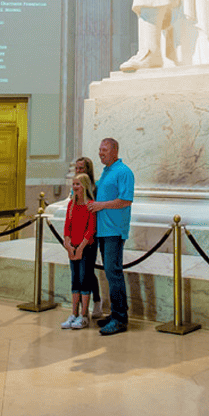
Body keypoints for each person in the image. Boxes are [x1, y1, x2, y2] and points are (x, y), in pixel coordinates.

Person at [87, 138, 134, 336]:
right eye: (99, 150)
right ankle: (115, 313)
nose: (100, 153)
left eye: (104, 150)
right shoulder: (106, 173)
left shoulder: (124, 172)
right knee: (110, 273)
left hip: (114, 231)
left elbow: (125, 200)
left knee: (113, 273)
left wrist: (101, 205)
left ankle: (120, 318)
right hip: (103, 231)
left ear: (115, 150)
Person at [61, 173, 98, 330]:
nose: (75, 187)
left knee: (84, 280)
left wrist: (81, 248)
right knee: (75, 280)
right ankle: (74, 313)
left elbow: (91, 229)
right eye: (73, 184)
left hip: (85, 247)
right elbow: (67, 226)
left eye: (78, 184)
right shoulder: (71, 205)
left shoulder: (91, 205)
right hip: (73, 247)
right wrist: (68, 245)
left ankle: (84, 315)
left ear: (84, 186)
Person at [74, 155, 103, 317]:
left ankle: (96, 301)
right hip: (76, 235)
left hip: (90, 235)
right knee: (78, 271)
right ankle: (77, 308)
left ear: (88, 170)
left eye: (81, 168)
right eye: (76, 168)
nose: (78, 171)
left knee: (88, 270)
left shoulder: (95, 188)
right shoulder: (75, 187)